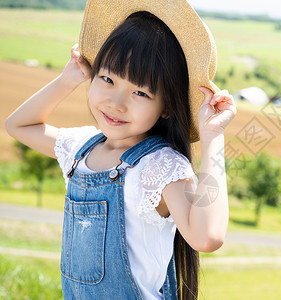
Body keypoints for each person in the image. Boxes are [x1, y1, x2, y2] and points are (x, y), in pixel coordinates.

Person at [5, 0, 236, 299]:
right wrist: (68, 80)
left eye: (140, 92)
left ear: (166, 107)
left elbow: (207, 237)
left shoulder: (159, 167)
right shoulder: (81, 150)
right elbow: (19, 126)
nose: (116, 102)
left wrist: (213, 136)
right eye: (108, 78)